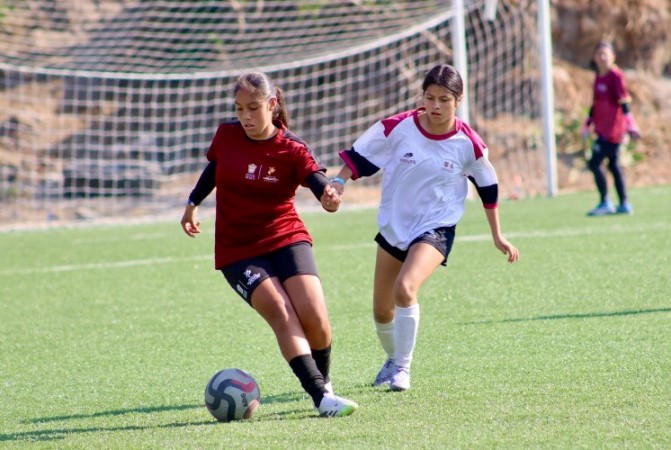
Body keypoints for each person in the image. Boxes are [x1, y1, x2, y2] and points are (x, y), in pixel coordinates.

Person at [329, 64, 520, 391]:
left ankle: (403, 368)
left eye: (444, 99)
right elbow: (359, 157)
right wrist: (338, 182)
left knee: (405, 288)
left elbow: (488, 188)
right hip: (395, 226)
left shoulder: (468, 143)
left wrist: (497, 235)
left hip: (436, 226)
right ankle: (393, 360)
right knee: (382, 311)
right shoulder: (398, 127)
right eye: (430, 98)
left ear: (458, 100)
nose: (435, 106)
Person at [180, 71, 357, 417]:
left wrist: (329, 197)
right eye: (239, 108)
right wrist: (192, 202)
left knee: (315, 317)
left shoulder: (292, 148)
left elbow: (318, 183)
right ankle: (321, 398)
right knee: (281, 311)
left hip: (285, 236)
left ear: (272, 104)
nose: (245, 116)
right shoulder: (227, 135)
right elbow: (214, 168)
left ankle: (325, 384)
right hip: (238, 249)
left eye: (253, 108)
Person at [581, 40, 641, 216]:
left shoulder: (616, 76)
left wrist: (631, 124)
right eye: (599, 54)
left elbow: (624, 102)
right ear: (594, 57)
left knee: (594, 163)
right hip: (602, 128)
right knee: (614, 165)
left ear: (613, 56)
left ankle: (606, 202)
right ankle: (624, 203)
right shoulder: (599, 76)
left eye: (605, 54)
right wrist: (588, 123)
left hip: (614, 130)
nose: (602, 57)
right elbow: (596, 104)